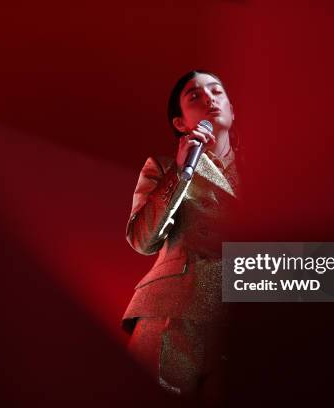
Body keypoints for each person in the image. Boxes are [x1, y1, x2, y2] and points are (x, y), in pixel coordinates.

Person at [121, 70, 242, 401]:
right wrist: (180, 172)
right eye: (195, 96)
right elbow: (143, 240)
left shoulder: (265, 170)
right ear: (179, 122)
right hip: (173, 309)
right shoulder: (162, 167)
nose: (209, 98)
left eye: (217, 91)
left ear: (232, 108)